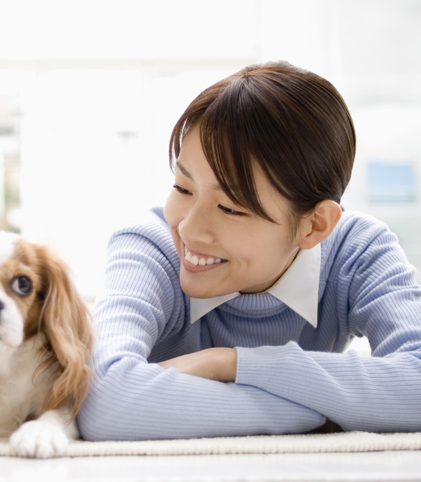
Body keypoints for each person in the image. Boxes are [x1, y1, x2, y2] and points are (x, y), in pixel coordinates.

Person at [76, 61, 421, 441]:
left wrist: (232, 363)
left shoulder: (357, 252)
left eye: (231, 208)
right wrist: (315, 413)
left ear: (314, 225)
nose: (189, 228)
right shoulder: (149, 245)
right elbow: (101, 400)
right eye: (183, 188)